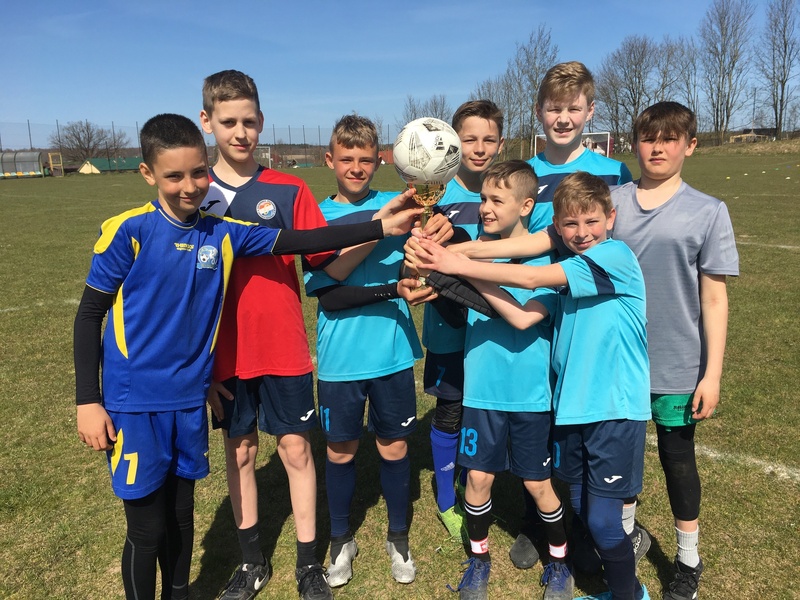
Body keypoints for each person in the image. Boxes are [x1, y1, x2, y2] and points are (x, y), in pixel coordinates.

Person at [73, 113, 420, 600]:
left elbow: (303, 240)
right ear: (148, 173)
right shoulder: (129, 231)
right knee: (147, 528)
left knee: (181, 515)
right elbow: (89, 315)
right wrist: (88, 399)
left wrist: (381, 225)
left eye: (197, 173)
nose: (190, 186)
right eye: (174, 176)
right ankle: (239, 564)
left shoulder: (222, 231)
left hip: (190, 398)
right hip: (136, 401)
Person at [198, 71, 405, 600]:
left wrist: (379, 226)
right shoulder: (195, 192)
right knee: (240, 452)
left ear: (261, 122)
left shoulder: (289, 189)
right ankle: (251, 564)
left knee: (295, 449)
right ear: (207, 121)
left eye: (249, 121)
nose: (240, 132)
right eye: (228, 121)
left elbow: (324, 258)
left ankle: (309, 563)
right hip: (225, 351)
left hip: (282, 344)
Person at [410, 171, 652, 600]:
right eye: (570, 224)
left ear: (611, 218)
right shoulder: (565, 250)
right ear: (558, 226)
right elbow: (513, 248)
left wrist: (454, 264)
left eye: (592, 222)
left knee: (598, 518)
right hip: (571, 404)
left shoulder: (610, 256)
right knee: (581, 506)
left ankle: (626, 586)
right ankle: (603, 569)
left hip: (612, 406)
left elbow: (529, 282)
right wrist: (444, 253)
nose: (581, 232)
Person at [420, 161, 572, 600]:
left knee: (538, 485)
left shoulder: (546, 260)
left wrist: (464, 269)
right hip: (481, 394)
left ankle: (560, 563)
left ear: (526, 205)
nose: (485, 208)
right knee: (478, 481)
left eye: (496, 200)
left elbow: (524, 318)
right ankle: (478, 560)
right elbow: (450, 301)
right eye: (483, 198)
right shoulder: (469, 250)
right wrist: (426, 272)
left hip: (530, 397)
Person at [611, 101, 739, 600]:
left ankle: (688, 559)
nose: (658, 147)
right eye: (649, 138)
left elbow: (714, 298)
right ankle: (624, 540)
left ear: (690, 145)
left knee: (677, 460)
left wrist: (712, 374)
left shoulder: (708, 210)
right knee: (621, 457)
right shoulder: (612, 203)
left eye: (670, 138)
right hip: (619, 361)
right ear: (634, 143)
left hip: (678, 364)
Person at [421, 100, 506, 540]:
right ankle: (445, 499)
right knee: (451, 407)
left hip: (495, 324)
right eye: (469, 139)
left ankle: (485, 484)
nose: (479, 148)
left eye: (489, 139)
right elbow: (417, 260)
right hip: (448, 326)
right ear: (454, 144)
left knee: (490, 407)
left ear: (501, 144)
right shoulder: (435, 194)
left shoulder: (508, 191)